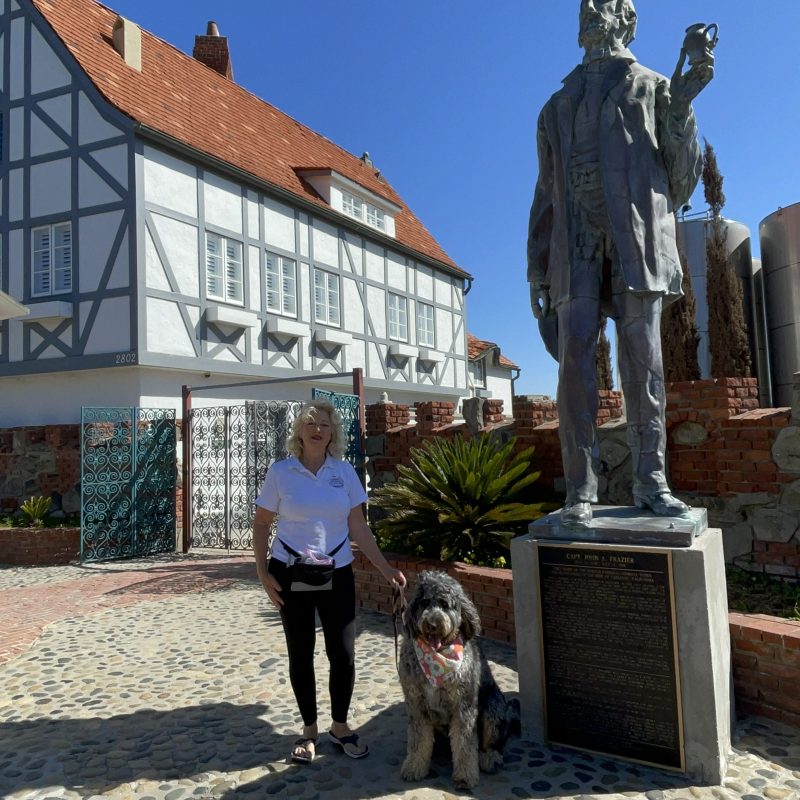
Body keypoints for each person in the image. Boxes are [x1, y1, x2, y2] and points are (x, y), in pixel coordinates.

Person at [527, 0, 715, 527]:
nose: (591, 13)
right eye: (586, 8)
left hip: (635, 233)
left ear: (627, 21)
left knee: (643, 360)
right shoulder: (555, 106)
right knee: (575, 360)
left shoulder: (655, 86)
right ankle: (580, 491)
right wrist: (536, 266)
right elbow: (545, 192)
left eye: (604, 6)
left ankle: (652, 482)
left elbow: (680, 181)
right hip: (573, 237)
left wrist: (682, 107)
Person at [253, 400, 406, 764]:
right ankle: (308, 730)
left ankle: (339, 725)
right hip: (290, 573)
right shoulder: (281, 472)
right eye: (310, 423)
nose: (317, 429)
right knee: (300, 653)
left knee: (344, 655)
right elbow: (261, 525)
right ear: (299, 432)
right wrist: (262, 573)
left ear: (332, 432)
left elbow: (359, 528)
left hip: (337, 572)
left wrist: (386, 569)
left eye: (324, 423)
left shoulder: (345, 473)